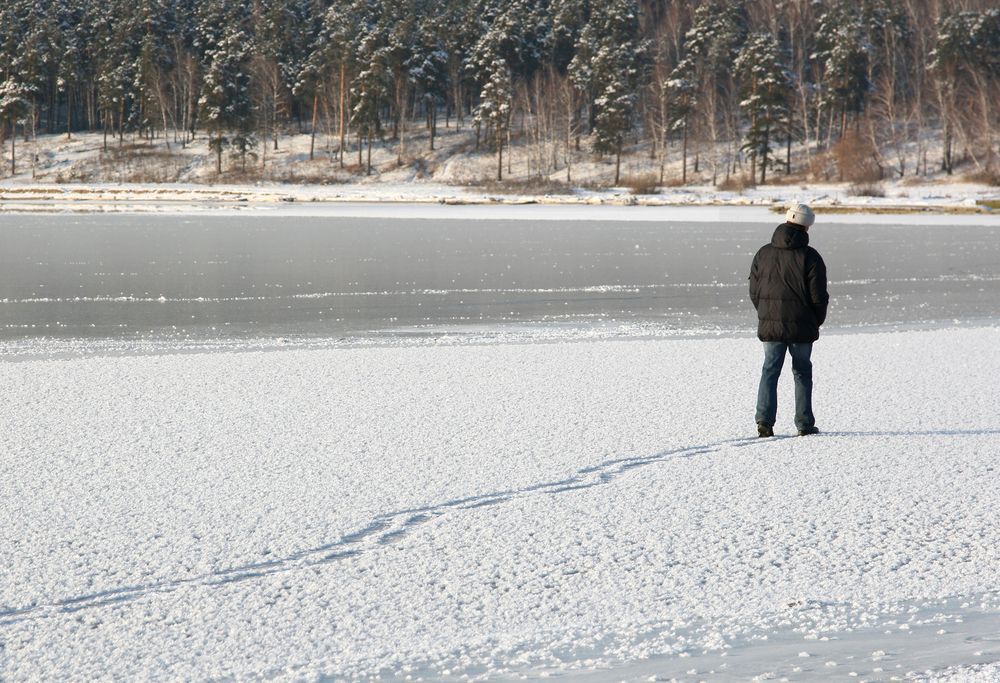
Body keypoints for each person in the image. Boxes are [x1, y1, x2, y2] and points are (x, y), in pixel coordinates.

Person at [748, 203, 829, 437]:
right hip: (802, 325)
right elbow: (818, 296)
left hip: (770, 323)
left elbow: (754, 290)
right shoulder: (810, 256)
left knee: (770, 370)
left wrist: (765, 313)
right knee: (802, 372)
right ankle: (804, 424)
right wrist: (816, 320)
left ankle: (764, 422)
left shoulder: (763, 253)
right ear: (807, 227)